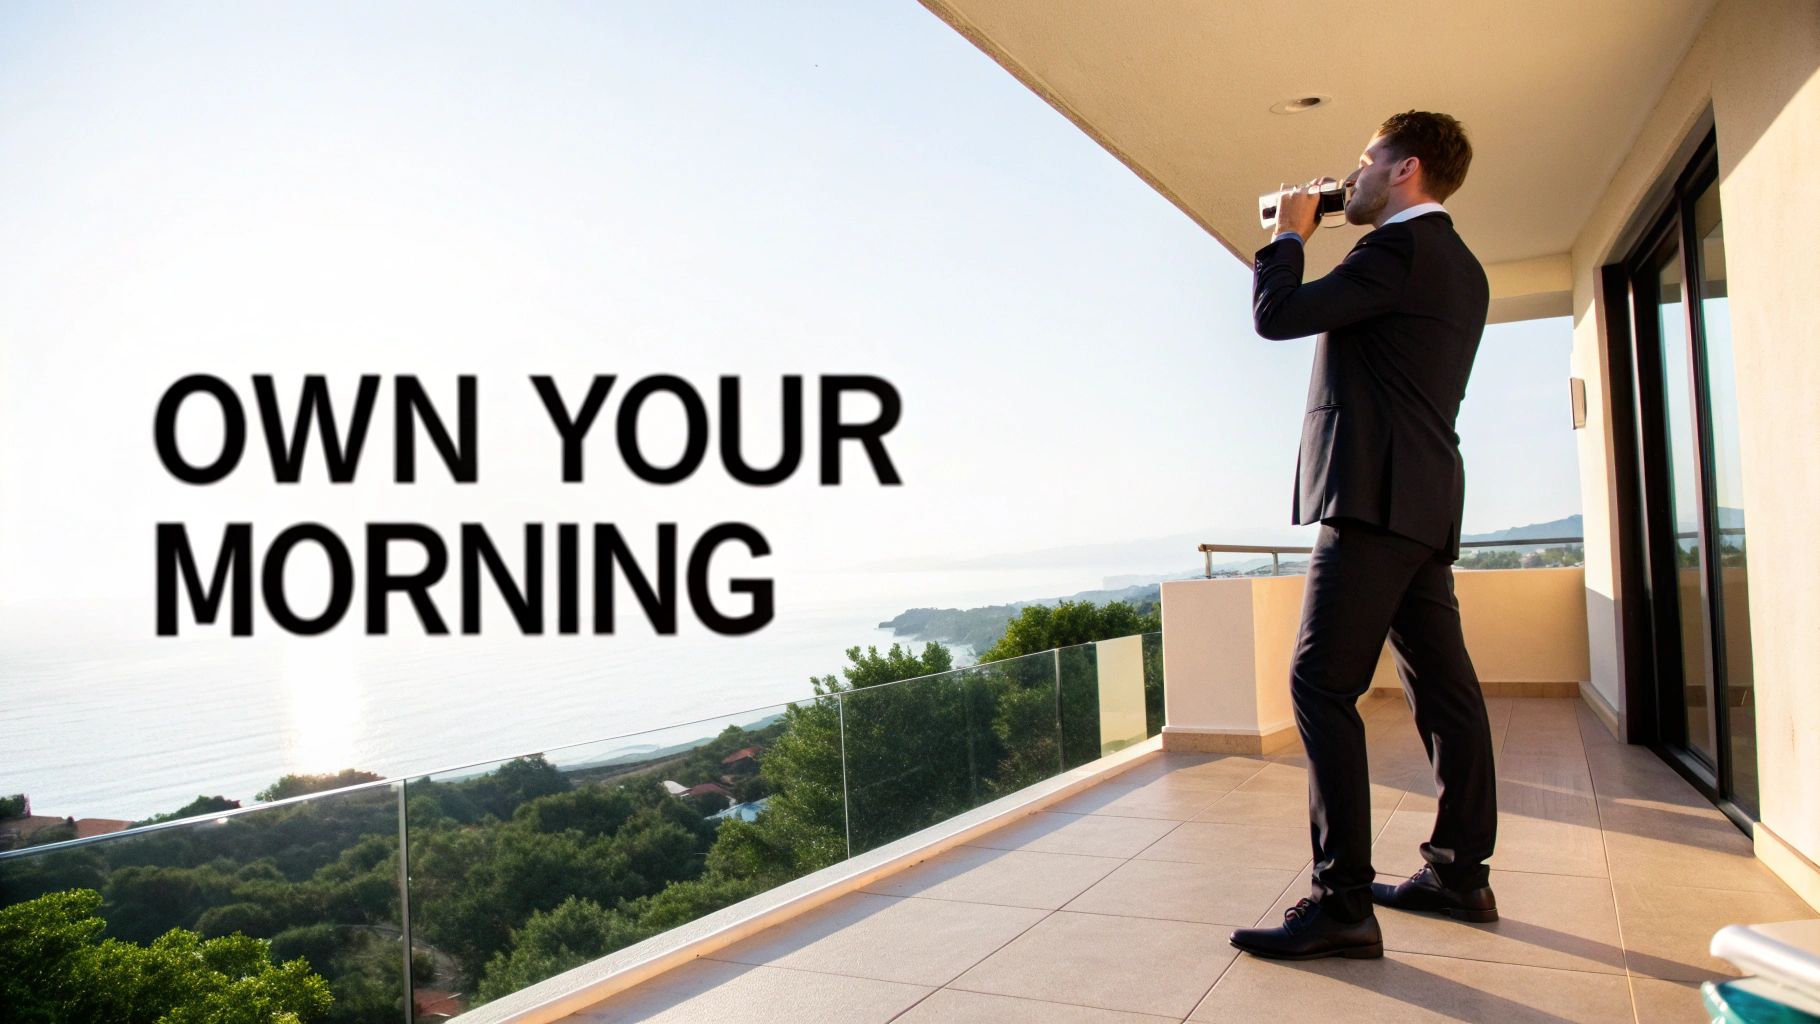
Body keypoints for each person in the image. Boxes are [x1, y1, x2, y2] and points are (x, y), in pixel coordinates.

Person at [1228, 110, 1498, 961]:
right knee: (1445, 692)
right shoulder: (1461, 265)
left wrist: (1290, 235)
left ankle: (1342, 901)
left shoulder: (1396, 251)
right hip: (1422, 502)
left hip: (1374, 500)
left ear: (1406, 169)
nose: (1356, 174)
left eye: (1366, 160)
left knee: (1319, 685)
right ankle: (1459, 873)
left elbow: (1279, 316)